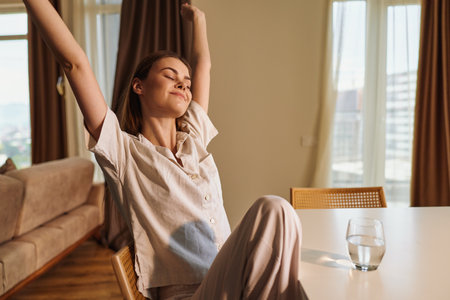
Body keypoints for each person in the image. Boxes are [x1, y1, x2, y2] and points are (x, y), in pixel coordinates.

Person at [23, 1, 308, 299]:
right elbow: (74, 63)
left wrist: (199, 19)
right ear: (139, 86)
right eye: (170, 76)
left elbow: (203, 66)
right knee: (273, 209)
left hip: (230, 278)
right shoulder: (123, 152)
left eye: (186, 83)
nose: (183, 85)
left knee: (286, 241)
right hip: (189, 294)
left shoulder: (193, 138)